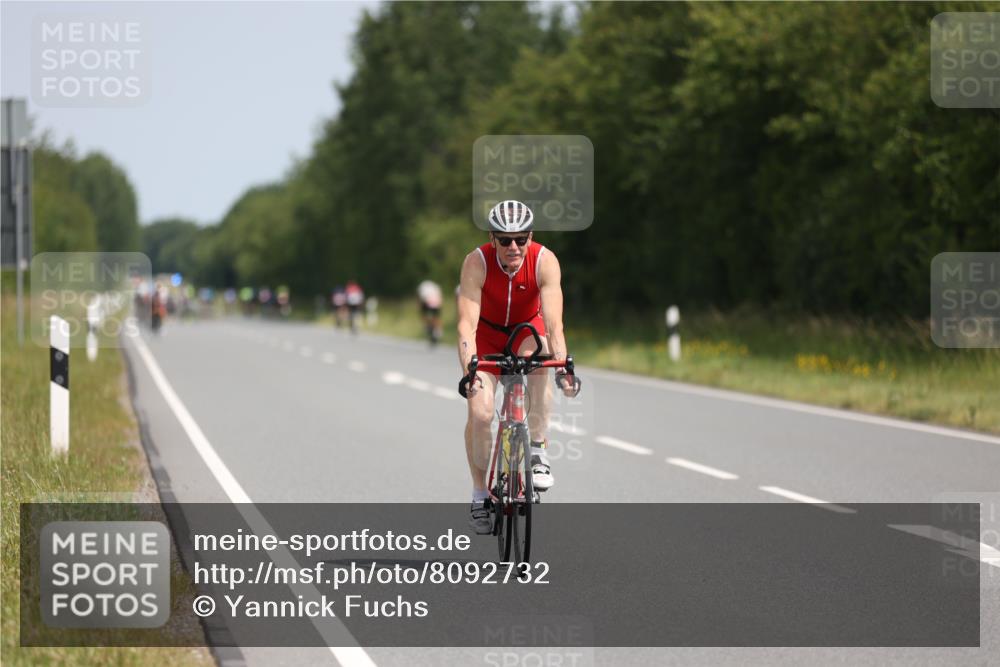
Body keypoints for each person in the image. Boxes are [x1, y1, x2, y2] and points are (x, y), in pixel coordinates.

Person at [456, 200, 579, 534]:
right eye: (505, 239)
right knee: (480, 414)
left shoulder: (544, 260)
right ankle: (480, 493)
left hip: (528, 330)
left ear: (530, 236)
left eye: (521, 239)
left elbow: (555, 326)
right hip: (488, 336)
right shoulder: (476, 263)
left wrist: (563, 368)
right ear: (492, 238)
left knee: (539, 359)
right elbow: (466, 325)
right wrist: (470, 370)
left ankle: (537, 448)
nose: (513, 246)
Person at [417, 279, 444, 346]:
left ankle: (429, 327)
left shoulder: (423, 287)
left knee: (425, 315)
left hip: (429, 302)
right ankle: (437, 330)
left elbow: (421, 299)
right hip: (436, 302)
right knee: (436, 317)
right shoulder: (435, 287)